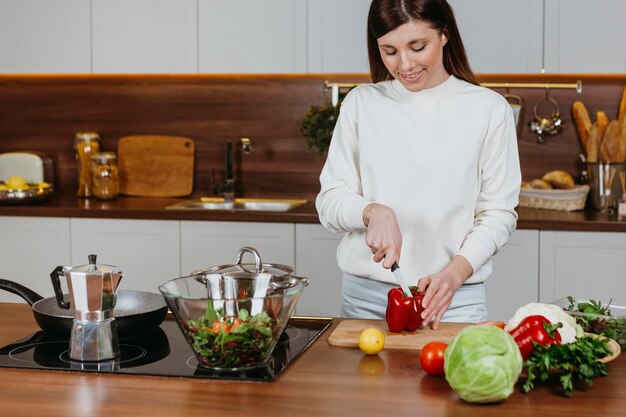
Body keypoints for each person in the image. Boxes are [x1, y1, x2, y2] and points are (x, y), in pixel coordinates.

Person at [315, 0, 521, 329]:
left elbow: (497, 214)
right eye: (389, 50)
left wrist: (454, 274)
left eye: (417, 46)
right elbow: (329, 201)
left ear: (444, 35)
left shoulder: (488, 110)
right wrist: (372, 211)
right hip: (367, 301)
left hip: (453, 301)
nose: (405, 63)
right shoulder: (361, 104)